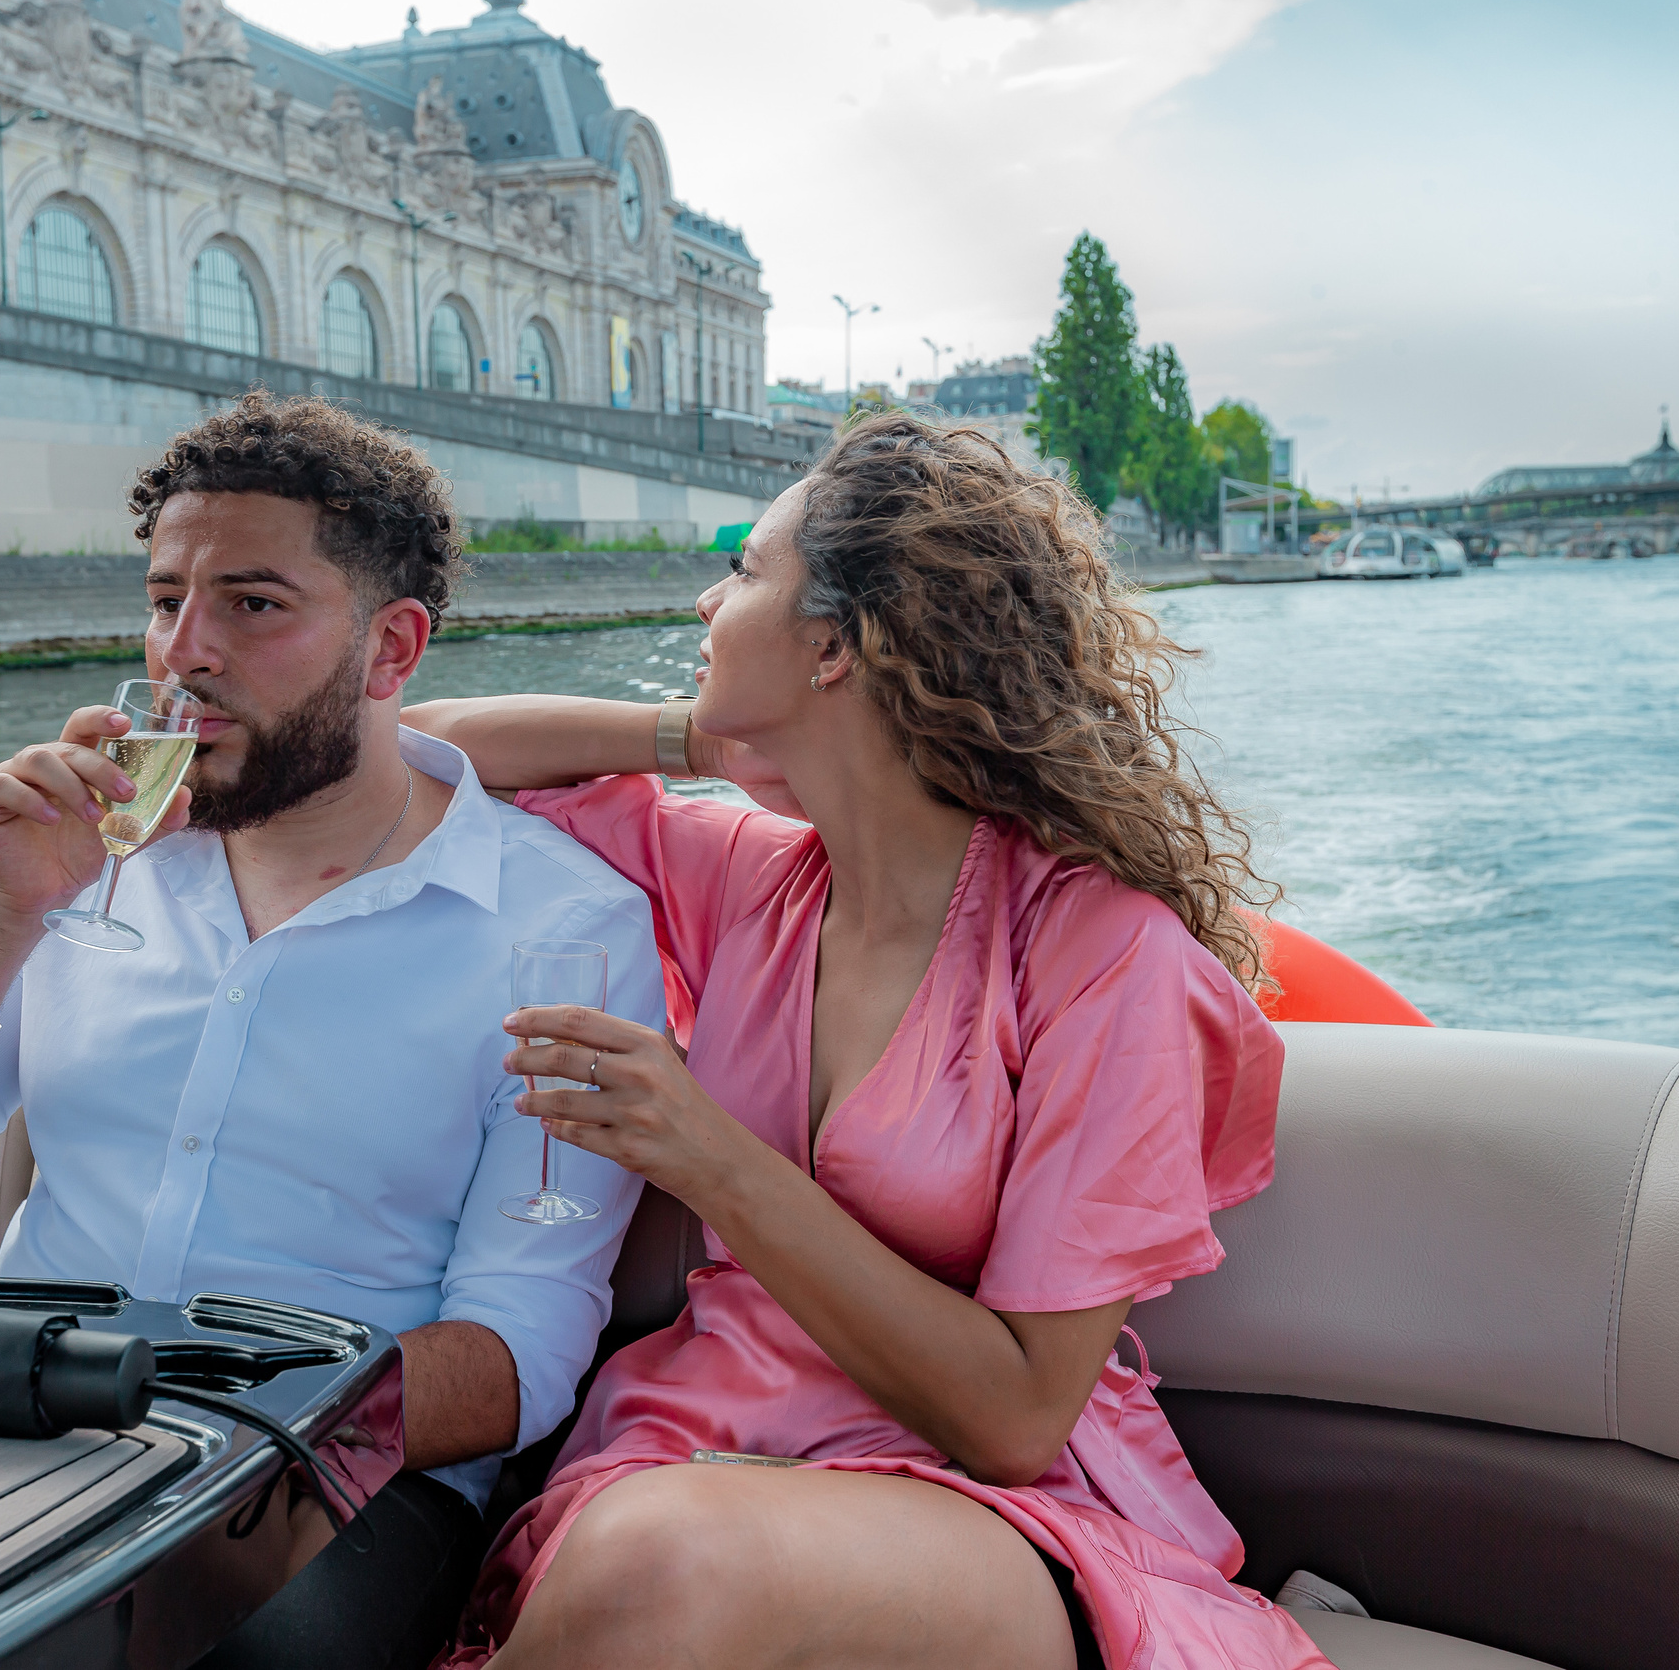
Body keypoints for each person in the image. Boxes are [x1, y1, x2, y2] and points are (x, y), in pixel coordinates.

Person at [405, 413, 1329, 1669]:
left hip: (983, 1503)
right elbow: (426, 755)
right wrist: (701, 736)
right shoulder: (749, 877)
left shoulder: (1105, 953)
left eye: (743, 572)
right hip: (688, 1456)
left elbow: (1013, 1417)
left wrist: (709, 1156)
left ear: (832, 645)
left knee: (656, 1565)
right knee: (648, 1552)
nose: (704, 594)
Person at [0, 391, 667, 1670]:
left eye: (252, 605)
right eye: (163, 602)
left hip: (339, 1463)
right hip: (13, 1418)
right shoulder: (82, 860)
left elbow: (515, 1351)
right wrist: (2, 908)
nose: (183, 653)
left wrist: (203, 1422)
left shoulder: (561, 932)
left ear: (390, 648)